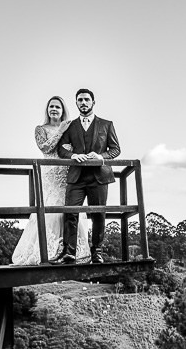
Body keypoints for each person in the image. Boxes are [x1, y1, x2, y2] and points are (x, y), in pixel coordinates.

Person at [11, 96, 91, 264]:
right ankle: (48, 250)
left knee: (69, 207)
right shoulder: (40, 129)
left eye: (58, 107)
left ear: (63, 111)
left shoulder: (71, 127)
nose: (54, 109)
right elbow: (45, 147)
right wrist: (60, 131)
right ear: (47, 110)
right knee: (51, 208)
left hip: (68, 173)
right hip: (50, 173)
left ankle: (71, 251)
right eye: (51, 107)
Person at [53, 88, 120, 264]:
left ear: (93, 102)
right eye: (80, 100)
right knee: (70, 213)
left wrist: (101, 157)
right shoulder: (71, 126)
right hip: (76, 177)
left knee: (98, 214)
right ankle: (69, 252)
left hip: (99, 177)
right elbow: (60, 149)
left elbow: (115, 150)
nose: (83, 103)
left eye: (86, 100)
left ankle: (97, 251)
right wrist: (72, 155)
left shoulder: (106, 124)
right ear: (76, 103)